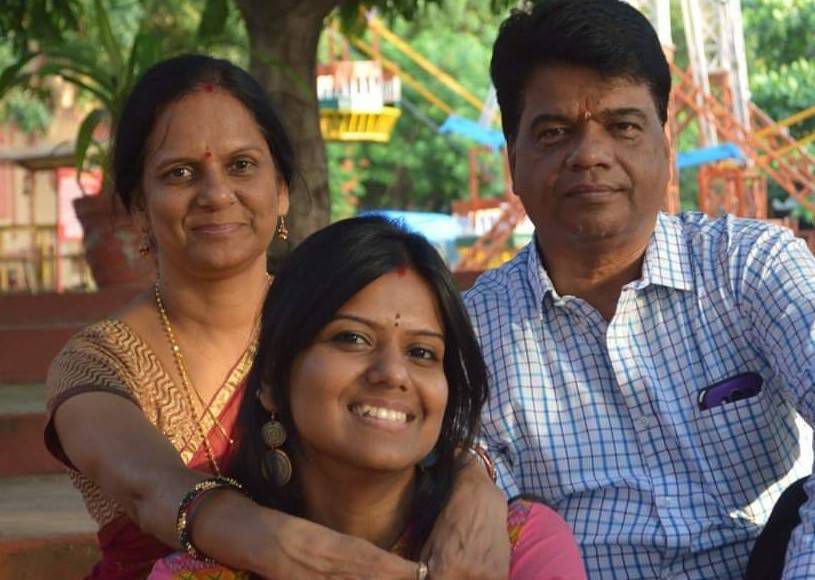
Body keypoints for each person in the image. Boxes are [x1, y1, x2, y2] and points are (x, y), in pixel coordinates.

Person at [45, 54, 508, 579]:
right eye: (180, 173)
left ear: (283, 190)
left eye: (242, 165)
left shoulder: (342, 323)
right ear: (136, 206)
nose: (217, 193)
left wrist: (475, 481)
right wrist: (285, 549)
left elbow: (409, 419)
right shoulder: (97, 363)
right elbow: (148, 486)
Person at [464, 1, 815, 578]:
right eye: (554, 133)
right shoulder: (473, 334)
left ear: (664, 144)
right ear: (513, 162)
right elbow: (469, 495)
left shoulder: (749, 267)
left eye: (623, 126)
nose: (591, 156)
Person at [148, 216, 588, 579]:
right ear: (271, 381)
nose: (393, 374)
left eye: (422, 352)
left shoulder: (514, 549)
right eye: (352, 338)